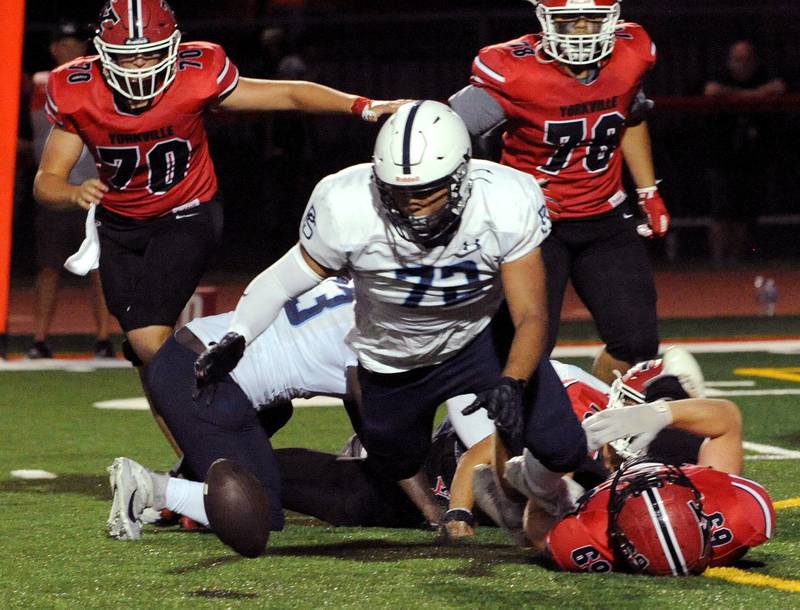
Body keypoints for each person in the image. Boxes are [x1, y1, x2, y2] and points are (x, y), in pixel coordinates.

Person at [194, 100, 588, 528]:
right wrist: (237, 336)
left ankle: (541, 494)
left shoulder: (505, 198)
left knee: (564, 445)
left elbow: (531, 313)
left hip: (479, 339)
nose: (410, 203)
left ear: (462, 174)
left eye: (425, 190)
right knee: (395, 458)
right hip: (393, 359)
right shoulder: (346, 204)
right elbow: (280, 281)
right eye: (397, 190)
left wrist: (513, 380)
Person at [32, 0, 406, 368]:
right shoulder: (75, 88)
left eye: (151, 53)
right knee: (145, 352)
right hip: (118, 225)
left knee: (147, 338)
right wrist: (73, 193)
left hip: (185, 211)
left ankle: (244, 388)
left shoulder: (196, 73)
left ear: (174, 47)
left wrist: (363, 105)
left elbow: (288, 93)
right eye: (128, 56)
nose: (140, 66)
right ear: (102, 52)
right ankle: (195, 420)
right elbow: (47, 181)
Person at [449, 0, 668, 383]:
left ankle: (601, 419)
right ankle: (478, 433)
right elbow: (445, 132)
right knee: (524, 348)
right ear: (546, 20)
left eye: (592, 20)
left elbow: (629, 116)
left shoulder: (630, 56)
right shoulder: (515, 70)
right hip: (532, 226)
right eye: (569, 20)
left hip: (604, 217)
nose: (582, 30)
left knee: (636, 343)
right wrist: (497, 185)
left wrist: (648, 190)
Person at [27, 20, 114, 359]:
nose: (69, 49)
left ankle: (105, 338)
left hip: (96, 188)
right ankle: (38, 338)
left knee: (100, 266)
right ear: (53, 49)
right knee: (48, 266)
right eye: (63, 44)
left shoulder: (102, 82)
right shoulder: (41, 84)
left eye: (76, 43)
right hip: (55, 188)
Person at [703, 40, 786, 267]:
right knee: (721, 213)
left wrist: (740, 95)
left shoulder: (763, 75)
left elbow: (779, 87)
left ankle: (737, 264)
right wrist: (753, 95)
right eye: (738, 59)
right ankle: (717, 263)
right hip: (721, 157)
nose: (743, 64)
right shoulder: (720, 76)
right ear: (730, 61)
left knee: (744, 215)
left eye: (747, 58)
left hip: (752, 158)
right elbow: (710, 90)